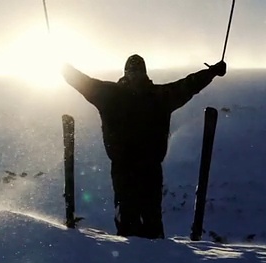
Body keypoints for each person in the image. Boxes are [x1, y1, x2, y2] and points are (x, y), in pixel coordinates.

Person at [62, 54, 226, 239]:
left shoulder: (109, 95)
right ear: (144, 73)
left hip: (124, 167)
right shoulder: (159, 96)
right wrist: (211, 72)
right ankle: (156, 259)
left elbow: (83, 82)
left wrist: (64, 69)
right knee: (151, 219)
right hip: (149, 168)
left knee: (128, 219)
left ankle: (132, 258)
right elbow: (188, 85)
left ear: (125, 73)